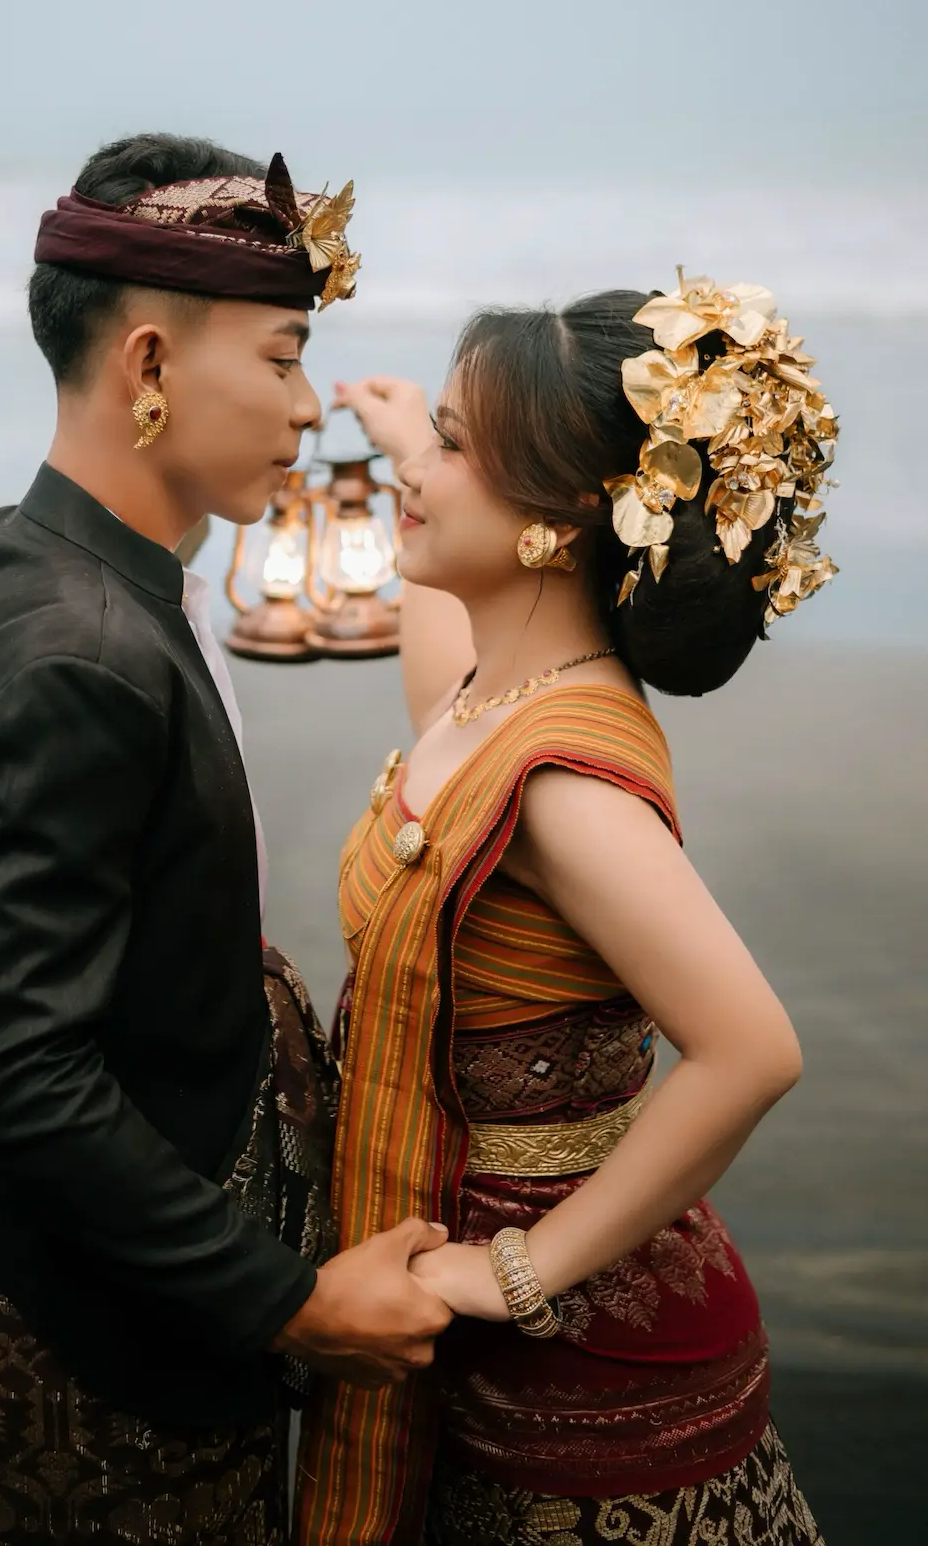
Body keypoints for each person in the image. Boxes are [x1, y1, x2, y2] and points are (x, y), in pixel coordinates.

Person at [0, 134, 451, 1545]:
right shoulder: (78, 656)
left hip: (101, 1265)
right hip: (108, 1342)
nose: (307, 403)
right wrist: (291, 1303)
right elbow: (15, 1072)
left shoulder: (27, 555)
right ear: (147, 363)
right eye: (280, 359)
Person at [296, 276, 836, 1543]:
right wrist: (406, 440)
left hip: (583, 1378)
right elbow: (440, 670)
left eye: (452, 447)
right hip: (467, 1312)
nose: (415, 472)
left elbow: (751, 1050)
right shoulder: (487, 700)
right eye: (433, 434)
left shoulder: (561, 786)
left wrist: (515, 1272)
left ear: (555, 520)